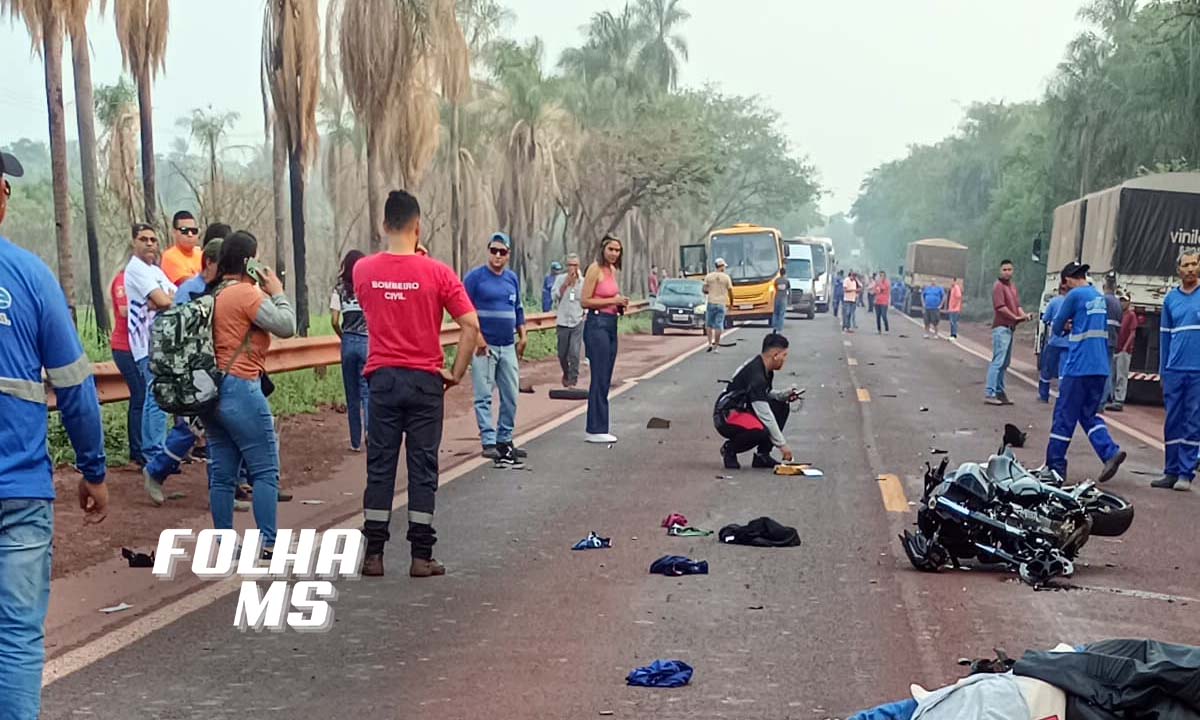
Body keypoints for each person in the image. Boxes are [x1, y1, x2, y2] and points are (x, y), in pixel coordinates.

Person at [0, 149, 108, 719]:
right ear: (2, 200)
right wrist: (93, 470)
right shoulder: (32, 278)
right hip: (19, 492)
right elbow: (75, 388)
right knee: (16, 635)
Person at [355, 191, 480, 577]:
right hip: (426, 381)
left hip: (383, 380)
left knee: (380, 466)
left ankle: (373, 555)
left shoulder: (363, 270)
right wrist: (455, 373)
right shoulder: (438, 273)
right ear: (418, 226)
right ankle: (421, 557)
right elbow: (471, 325)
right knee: (422, 466)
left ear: (382, 224)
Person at [202, 231, 295, 561]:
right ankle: (269, 542)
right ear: (248, 262)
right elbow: (286, 325)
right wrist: (279, 293)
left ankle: (225, 544)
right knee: (265, 469)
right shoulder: (245, 295)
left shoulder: (212, 295)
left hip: (212, 392)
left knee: (223, 474)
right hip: (243, 387)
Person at [1045, 262, 1126, 483]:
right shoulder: (1097, 296)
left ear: (1068, 280)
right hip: (1100, 368)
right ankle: (1109, 452)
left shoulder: (1074, 295)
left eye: (1065, 285)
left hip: (1079, 366)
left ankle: (1055, 467)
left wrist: (1067, 326)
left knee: (1064, 416)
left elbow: (1057, 325)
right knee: (1088, 414)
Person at [122, 223, 178, 504]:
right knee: (155, 398)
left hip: (161, 342)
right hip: (146, 343)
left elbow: (172, 298)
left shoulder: (155, 270)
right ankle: (154, 453)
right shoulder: (136, 270)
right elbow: (164, 300)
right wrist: (162, 301)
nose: (149, 244)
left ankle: (155, 451)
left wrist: (164, 300)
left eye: (153, 239)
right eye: (143, 239)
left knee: (155, 398)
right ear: (134, 242)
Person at [464, 232, 528, 468]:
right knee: (484, 394)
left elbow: (518, 308)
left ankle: (505, 439)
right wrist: (477, 335)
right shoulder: (475, 278)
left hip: (507, 345)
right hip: (485, 346)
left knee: (511, 395)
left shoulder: (511, 279)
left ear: (508, 254)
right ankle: (488, 440)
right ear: (488, 251)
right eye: (494, 251)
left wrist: (523, 334)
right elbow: (463, 308)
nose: (497, 256)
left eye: (502, 252)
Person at [714, 333, 802, 470]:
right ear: (775, 355)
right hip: (727, 415)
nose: (785, 360)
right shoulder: (757, 375)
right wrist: (782, 445)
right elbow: (764, 412)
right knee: (760, 430)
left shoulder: (764, 367)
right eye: (784, 356)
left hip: (744, 408)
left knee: (781, 406)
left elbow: (764, 394)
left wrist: (783, 395)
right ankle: (730, 449)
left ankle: (762, 455)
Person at [1152, 252, 1200, 491]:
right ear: (1178, 269)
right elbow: (1164, 338)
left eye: (1195, 264)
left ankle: (1185, 473)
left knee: (1193, 421)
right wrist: (1163, 370)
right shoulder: (1171, 300)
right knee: (1172, 421)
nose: (1191, 269)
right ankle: (1170, 471)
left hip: (1198, 372)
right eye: (1186, 265)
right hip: (1174, 370)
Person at [581, 234, 629, 443]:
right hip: (596, 325)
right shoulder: (594, 269)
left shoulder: (613, 271)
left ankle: (601, 426)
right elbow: (585, 300)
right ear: (602, 250)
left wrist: (618, 304)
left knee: (606, 376)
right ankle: (595, 428)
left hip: (611, 323)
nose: (614, 253)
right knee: (599, 376)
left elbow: (608, 298)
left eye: (617, 250)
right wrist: (612, 300)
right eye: (611, 249)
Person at [332, 250, 369, 452]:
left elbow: (334, 320)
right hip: (366, 341)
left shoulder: (339, 290)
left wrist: (343, 335)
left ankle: (355, 442)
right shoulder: (366, 287)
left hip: (347, 341)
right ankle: (369, 433)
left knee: (352, 395)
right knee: (367, 392)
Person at [109, 265, 143, 467]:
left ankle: (143, 449)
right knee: (139, 394)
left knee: (143, 396)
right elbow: (123, 310)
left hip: (139, 347)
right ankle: (136, 452)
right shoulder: (122, 279)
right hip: (124, 348)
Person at [986, 259, 1031, 406]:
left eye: (1009, 269)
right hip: (1001, 327)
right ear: (1000, 271)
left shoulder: (1012, 287)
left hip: (1010, 328)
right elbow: (1000, 307)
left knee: (1005, 363)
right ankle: (990, 392)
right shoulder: (998, 286)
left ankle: (1000, 392)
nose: (1007, 272)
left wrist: (1023, 316)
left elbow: (1017, 306)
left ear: (1013, 271)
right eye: (1004, 269)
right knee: (998, 361)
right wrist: (1016, 317)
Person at [553, 253, 585, 388]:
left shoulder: (583, 282)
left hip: (577, 320)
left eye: (575, 265)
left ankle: (573, 380)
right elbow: (554, 296)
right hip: (563, 321)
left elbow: (586, 299)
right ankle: (566, 373)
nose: (573, 268)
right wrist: (565, 285)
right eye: (570, 265)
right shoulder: (560, 279)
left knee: (574, 352)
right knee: (562, 353)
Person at [1038, 281, 1069, 404]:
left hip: (1054, 342)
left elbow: (1045, 319)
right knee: (1063, 371)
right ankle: (1062, 397)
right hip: (1068, 343)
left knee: (1047, 369)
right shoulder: (1073, 303)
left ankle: (1044, 395)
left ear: (1059, 289)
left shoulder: (1054, 302)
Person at [1106, 290, 1136, 413]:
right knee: (1112, 375)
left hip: (1124, 350)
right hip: (1115, 348)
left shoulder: (1131, 315)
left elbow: (1132, 333)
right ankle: (1112, 397)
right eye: (1121, 300)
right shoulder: (1118, 313)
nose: (1122, 303)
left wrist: (1125, 347)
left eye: (1125, 301)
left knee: (1121, 376)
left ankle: (1119, 400)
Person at [159, 210, 202, 286]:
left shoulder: (201, 254)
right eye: (184, 230)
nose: (190, 234)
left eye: (193, 231)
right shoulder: (169, 257)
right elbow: (190, 284)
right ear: (174, 232)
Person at [703, 258, 734, 352]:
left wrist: (711, 290)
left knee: (709, 324)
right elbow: (730, 291)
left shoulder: (709, 277)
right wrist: (732, 303)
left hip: (711, 302)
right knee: (718, 325)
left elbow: (704, 289)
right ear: (722, 267)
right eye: (724, 266)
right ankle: (716, 346)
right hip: (721, 303)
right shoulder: (726, 277)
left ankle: (709, 343)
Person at [1100, 273, 1122, 405]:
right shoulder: (1118, 303)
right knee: (1108, 369)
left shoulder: (1103, 300)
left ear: (1104, 286)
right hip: (1113, 339)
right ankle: (1106, 397)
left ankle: (1100, 400)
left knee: (1100, 370)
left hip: (1102, 338)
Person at [772, 266, 788, 333]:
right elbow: (788, 289)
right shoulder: (786, 281)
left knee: (775, 313)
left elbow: (775, 287)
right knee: (781, 314)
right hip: (783, 298)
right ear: (785, 273)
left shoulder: (776, 280)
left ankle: (774, 326)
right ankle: (780, 328)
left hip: (777, 298)